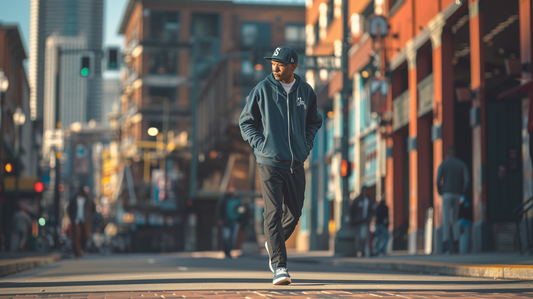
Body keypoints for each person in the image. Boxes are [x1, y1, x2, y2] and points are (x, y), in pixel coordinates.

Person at [239, 46, 322, 285]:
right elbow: (246, 122)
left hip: (296, 162)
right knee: (273, 212)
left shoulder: (306, 92)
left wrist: (306, 146)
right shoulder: (262, 89)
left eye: (281, 64)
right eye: (273, 63)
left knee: (294, 213)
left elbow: (314, 122)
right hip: (269, 162)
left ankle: (272, 241)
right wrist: (260, 145)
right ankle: (280, 266)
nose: (275, 67)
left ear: (293, 66)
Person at [436, 146, 469, 254]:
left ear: (447, 154)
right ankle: (456, 243)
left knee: (446, 219)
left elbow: (437, 179)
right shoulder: (461, 164)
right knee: (455, 219)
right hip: (457, 193)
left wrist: (440, 190)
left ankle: (446, 243)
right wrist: (462, 191)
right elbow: (467, 179)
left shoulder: (444, 164)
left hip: (446, 193)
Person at [216, 183, 245, 259]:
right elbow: (219, 209)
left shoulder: (238, 199)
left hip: (235, 221)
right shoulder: (224, 198)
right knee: (226, 237)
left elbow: (242, 210)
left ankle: (229, 252)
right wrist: (219, 218)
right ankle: (226, 252)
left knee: (232, 238)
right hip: (226, 221)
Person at [67, 186, 95, 258]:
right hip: (76, 221)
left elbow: (93, 209)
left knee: (86, 236)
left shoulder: (89, 199)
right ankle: (77, 253)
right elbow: (69, 209)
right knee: (76, 237)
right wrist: (72, 218)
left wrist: (89, 217)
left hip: (86, 221)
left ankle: (82, 248)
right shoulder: (73, 199)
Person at [350, 185, 373, 257]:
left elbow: (371, 211)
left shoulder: (369, 200)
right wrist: (353, 220)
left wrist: (368, 220)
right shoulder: (357, 200)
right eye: (365, 191)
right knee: (358, 238)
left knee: (363, 237)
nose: (366, 192)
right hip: (356, 222)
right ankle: (357, 251)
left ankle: (362, 251)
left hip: (364, 222)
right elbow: (352, 211)